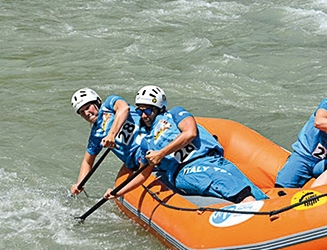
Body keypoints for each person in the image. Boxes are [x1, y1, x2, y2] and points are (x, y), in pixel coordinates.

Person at [103, 85, 267, 203]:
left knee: (255, 193)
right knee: (226, 183)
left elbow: (190, 133)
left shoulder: (176, 113)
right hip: (185, 169)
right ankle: (251, 210)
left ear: (159, 109)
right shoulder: (147, 143)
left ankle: (264, 209)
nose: (143, 115)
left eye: (147, 110)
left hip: (212, 159)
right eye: (140, 111)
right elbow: (142, 174)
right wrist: (117, 192)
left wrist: (161, 153)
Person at [69, 87, 143, 195]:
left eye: (88, 107)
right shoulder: (96, 134)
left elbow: (124, 109)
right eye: (81, 112)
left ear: (97, 102)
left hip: (149, 146)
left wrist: (111, 135)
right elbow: (87, 161)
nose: (86, 113)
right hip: (135, 161)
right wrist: (80, 183)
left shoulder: (109, 103)